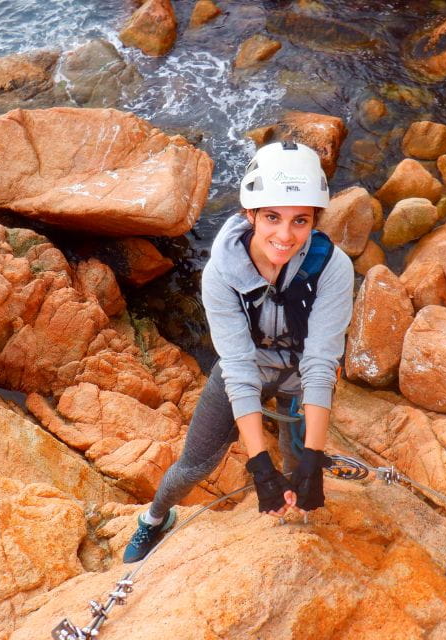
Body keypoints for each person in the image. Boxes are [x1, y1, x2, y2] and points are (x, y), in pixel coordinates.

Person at [123, 141, 354, 563]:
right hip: (245, 368)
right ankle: (154, 519)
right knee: (194, 465)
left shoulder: (331, 268)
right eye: (272, 217)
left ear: (315, 221)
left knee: (300, 460)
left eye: (300, 221)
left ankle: (298, 510)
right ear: (250, 214)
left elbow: (321, 363)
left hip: (302, 374)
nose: (285, 236)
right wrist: (259, 465)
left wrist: (313, 458)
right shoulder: (222, 272)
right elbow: (239, 367)